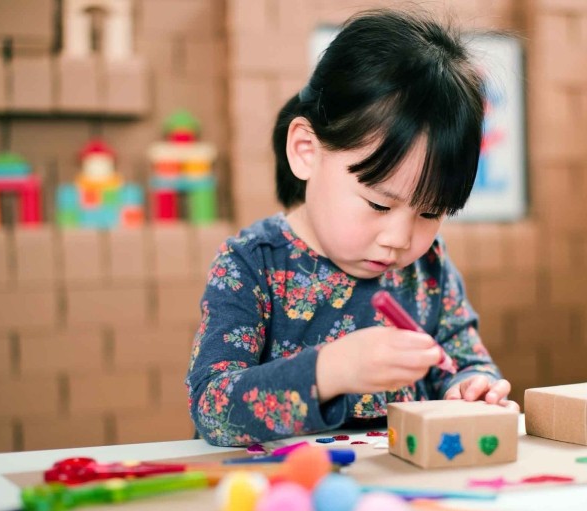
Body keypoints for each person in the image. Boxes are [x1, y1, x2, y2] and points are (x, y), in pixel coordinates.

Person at [186, 8, 518, 447]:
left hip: (403, 496)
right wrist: (330, 371)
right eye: (379, 203)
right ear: (307, 150)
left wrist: (474, 388)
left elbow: (462, 362)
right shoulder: (252, 264)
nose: (400, 239)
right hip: (288, 499)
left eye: (430, 212)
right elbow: (212, 408)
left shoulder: (429, 268)